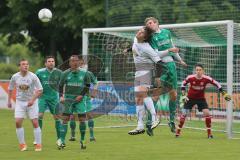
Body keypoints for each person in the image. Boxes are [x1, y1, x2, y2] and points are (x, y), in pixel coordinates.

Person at [127, 27, 180, 136]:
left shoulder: (147, 48)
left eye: (142, 32)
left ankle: (155, 118)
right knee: (138, 100)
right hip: (139, 72)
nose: (139, 32)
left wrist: (157, 77)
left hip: (146, 72)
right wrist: (128, 49)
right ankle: (140, 126)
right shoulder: (136, 39)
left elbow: (159, 62)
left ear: (145, 37)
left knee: (142, 94)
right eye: (139, 30)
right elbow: (134, 47)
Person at [145, 17, 187, 133]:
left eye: (150, 23)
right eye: (147, 24)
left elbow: (173, 48)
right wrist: (169, 50)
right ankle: (149, 122)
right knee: (156, 95)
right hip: (160, 67)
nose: (149, 25)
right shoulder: (151, 38)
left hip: (171, 66)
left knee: (173, 95)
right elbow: (156, 54)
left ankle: (172, 121)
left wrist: (180, 60)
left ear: (156, 22)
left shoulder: (166, 32)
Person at [176, 64, 231, 138]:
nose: (198, 71)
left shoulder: (206, 78)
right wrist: (183, 95)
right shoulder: (190, 77)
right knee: (184, 114)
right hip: (190, 98)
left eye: (200, 70)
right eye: (197, 70)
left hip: (201, 99)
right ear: (195, 71)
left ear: (203, 71)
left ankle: (209, 134)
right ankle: (178, 133)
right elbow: (183, 85)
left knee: (207, 113)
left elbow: (217, 84)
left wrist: (223, 93)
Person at [8, 59, 43, 151]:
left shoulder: (33, 76)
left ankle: (38, 145)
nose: (26, 66)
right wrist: (9, 101)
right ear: (19, 66)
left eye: (27, 64)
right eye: (23, 64)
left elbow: (40, 90)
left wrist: (32, 100)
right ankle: (22, 145)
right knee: (17, 122)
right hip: (20, 102)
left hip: (32, 102)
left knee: (35, 122)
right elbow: (10, 88)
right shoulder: (15, 77)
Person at [57, 55, 91, 150]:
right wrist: (61, 96)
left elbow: (87, 85)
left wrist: (81, 95)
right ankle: (62, 141)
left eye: (76, 61)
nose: (75, 63)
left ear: (79, 62)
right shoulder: (65, 74)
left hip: (80, 100)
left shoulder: (85, 73)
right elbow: (60, 86)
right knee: (65, 119)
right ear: (69, 63)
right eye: (72, 61)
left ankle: (83, 140)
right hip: (68, 100)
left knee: (82, 119)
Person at [69, 58, 98, 142]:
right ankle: (73, 135)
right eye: (79, 63)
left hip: (85, 98)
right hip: (72, 98)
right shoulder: (70, 72)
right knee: (72, 116)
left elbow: (95, 82)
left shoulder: (88, 73)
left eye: (82, 64)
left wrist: (94, 92)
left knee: (88, 115)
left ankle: (92, 136)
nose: (80, 65)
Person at [35, 56, 62, 143]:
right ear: (45, 63)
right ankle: (37, 139)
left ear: (54, 63)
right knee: (40, 115)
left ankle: (59, 139)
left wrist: (62, 95)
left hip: (54, 98)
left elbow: (62, 85)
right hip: (43, 97)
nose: (51, 63)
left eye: (53, 61)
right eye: (49, 61)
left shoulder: (59, 73)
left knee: (57, 117)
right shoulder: (39, 72)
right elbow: (34, 82)